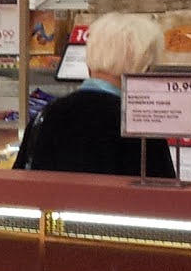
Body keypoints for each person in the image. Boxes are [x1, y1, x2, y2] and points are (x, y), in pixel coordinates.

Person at [16, 12, 176, 178]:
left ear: (88, 59)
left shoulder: (45, 115)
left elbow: (21, 184)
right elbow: (164, 197)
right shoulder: (140, 123)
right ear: (145, 67)